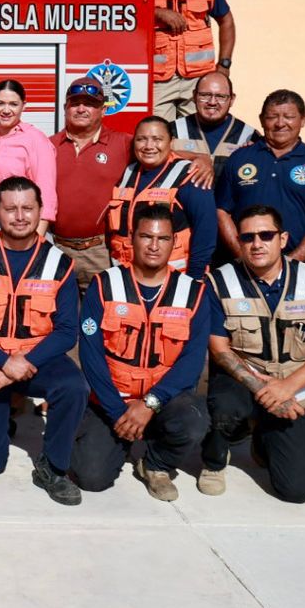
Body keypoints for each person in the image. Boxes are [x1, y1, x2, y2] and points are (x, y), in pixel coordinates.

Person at [0, 177, 87, 505]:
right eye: (10, 209)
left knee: (73, 386)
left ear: (40, 211)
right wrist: (3, 361)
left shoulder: (59, 263)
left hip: (34, 360)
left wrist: (17, 365)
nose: (20, 216)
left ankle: (53, 466)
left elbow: (67, 331)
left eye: (28, 208)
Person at [199, 205, 305, 503]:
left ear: (283, 239)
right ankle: (214, 461)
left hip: (294, 388)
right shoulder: (220, 281)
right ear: (238, 241)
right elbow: (219, 349)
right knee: (225, 406)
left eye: (266, 235)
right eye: (248, 237)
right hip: (242, 382)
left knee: (296, 491)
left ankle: (264, 438)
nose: (257, 244)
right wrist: (266, 389)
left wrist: (287, 387)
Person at [73, 204, 212, 500]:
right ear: (131, 239)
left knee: (193, 421)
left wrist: (148, 405)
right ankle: (123, 435)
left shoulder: (193, 293)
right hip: (113, 402)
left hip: (163, 401)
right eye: (146, 236)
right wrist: (117, 413)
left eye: (162, 239)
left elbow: (191, 363)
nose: (153, 245)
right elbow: (91, 355)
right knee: (91, 478)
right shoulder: (104, 285)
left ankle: (155, 463)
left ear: (174, 243)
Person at [217, 89, 305, 262]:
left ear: (303, 120)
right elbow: (221, 212)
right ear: (261, 120)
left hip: (301, 264)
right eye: (272, 117)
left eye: (289, 117)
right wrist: (242, 257)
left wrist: (290, 264)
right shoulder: (240, 158)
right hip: (245, 266)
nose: (280, 123)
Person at [105, 116, 217, 279]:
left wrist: (194, 279)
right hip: (125, 276)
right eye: (141, 139)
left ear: (170, 142)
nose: (149, 146)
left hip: (173, 278)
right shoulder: (128, 172)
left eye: (157, 139)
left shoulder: (191, 175)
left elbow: (205, 232)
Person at [49, 78, 132, 286]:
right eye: (75, 103)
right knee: (56, 314)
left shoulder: (123, 143)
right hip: (56, 249)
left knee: (101, 313)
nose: (81, 109)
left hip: (101, 252)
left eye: (90, 104)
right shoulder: (48, 145)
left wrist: (201, 159)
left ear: (103, 110)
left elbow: (160, 149)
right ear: (65, 108)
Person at [0, 78, 57, 237]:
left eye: (13, 104)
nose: (6, 110)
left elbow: (46, 194)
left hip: (21, 226)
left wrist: (37, 241)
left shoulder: (35, 139)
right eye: (0, 103)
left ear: (23, 106)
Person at [169, 71, 257, 181]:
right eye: (205, 95)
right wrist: (194, 156)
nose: (212, 102)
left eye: (220, 96)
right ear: (194, 96)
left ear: (232, 100)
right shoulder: (172, 130)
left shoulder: (250, 135)